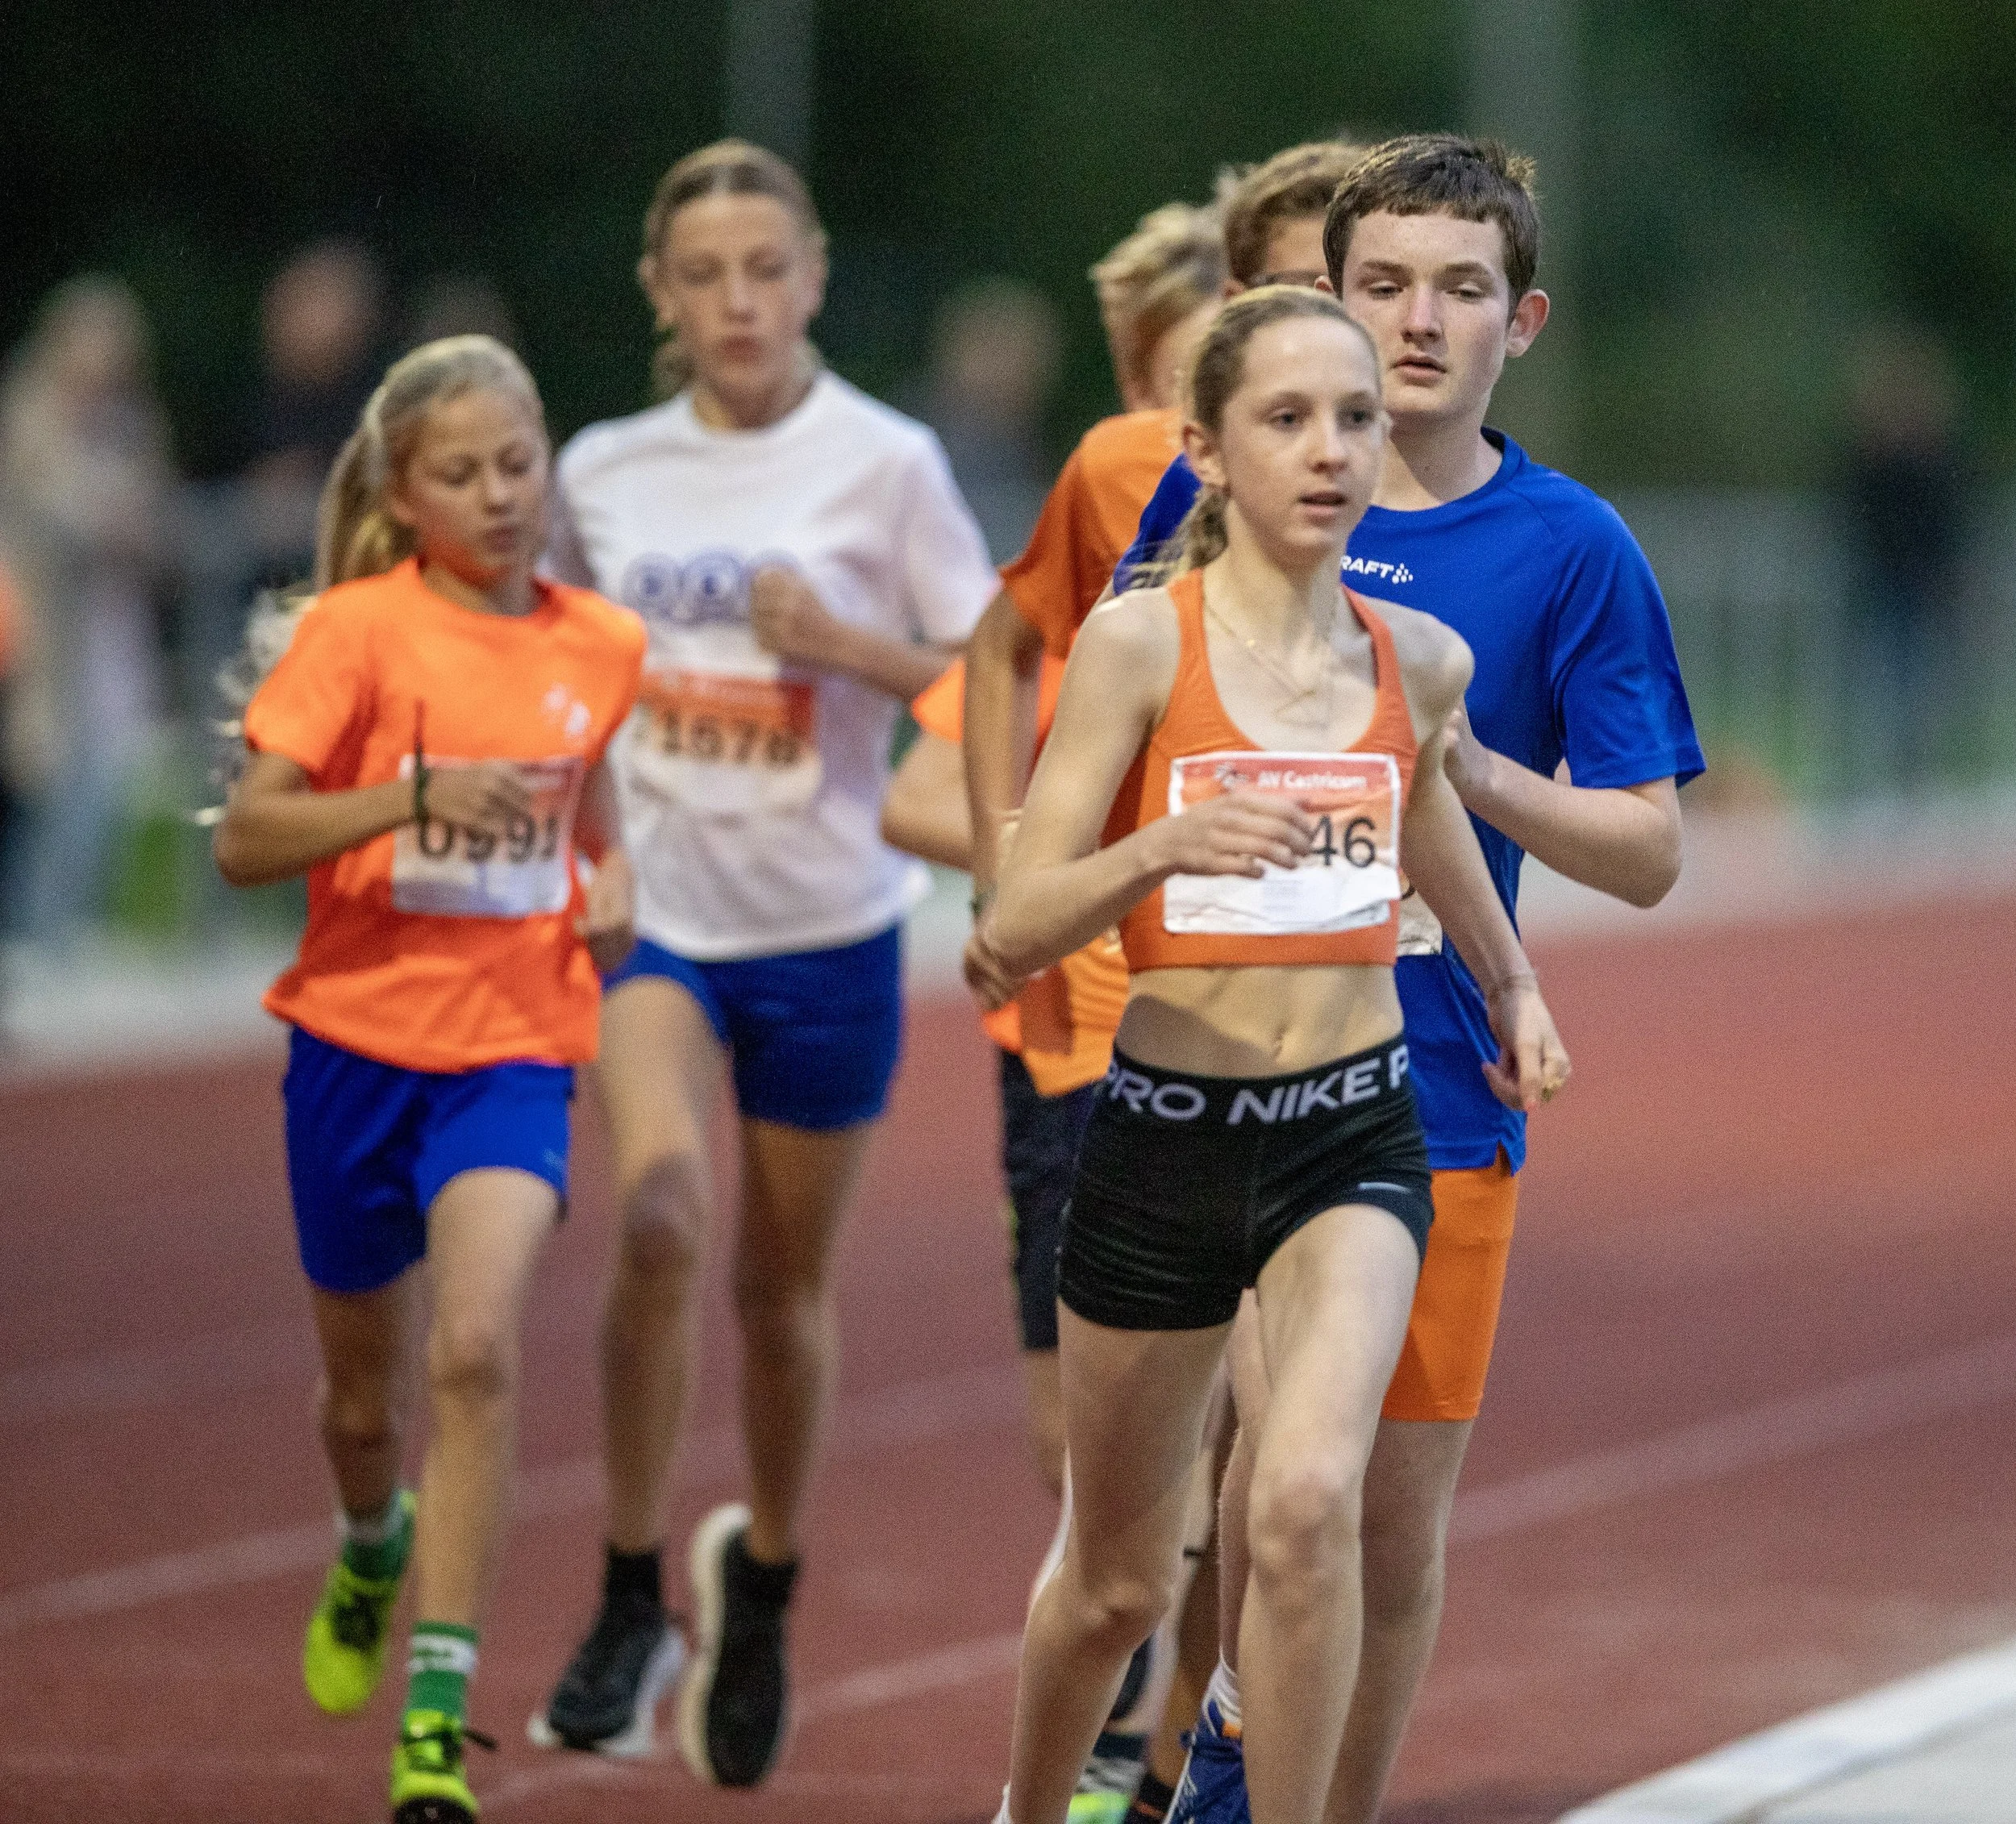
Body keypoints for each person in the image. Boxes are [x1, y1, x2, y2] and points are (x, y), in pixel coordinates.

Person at [1135, 138, 1703, 1824]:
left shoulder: (1568, 549)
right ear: (1327, 297)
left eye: (1458, 289)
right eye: (1380, 284)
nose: (1416, 321)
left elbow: (1648, 848)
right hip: (1223, 1060)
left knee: (1372, 1525)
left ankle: (1270, 1780)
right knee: (1265, 1479)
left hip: (1435, 1076)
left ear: (1518, 320)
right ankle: (1182, 1766)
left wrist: (1455, 766)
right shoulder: (1228, 491)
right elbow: (1119, 716)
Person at [973, 285, 1568, 1824]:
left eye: (1356, 419)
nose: (1330, 451)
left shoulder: (1417, 658)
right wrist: (1164, 840)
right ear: (1210, 454)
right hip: (1168, 1130)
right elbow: (1014, 925)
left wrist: (1515, 985)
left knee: (1307, 1508)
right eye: (1287, 419)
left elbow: (1426, 810)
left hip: (1355, 1134)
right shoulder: (1133, 648)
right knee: (1114, 1583)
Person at [529, 140, 999, 1784]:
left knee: (778, 1294)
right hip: (656, 918)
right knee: (660, 1216)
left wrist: (846, 648)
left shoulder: (885, 463)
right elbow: (547, 665)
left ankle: (769, 1583)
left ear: (810, 277)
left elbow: (983, 677)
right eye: (703, 275)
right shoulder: (599, 467)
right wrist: (576, 847)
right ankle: (625, 1590)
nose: (737, 302)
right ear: (661, 295)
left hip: (828, 924)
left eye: (764, 270)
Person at [958, 142, 1356, 1824]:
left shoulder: (1412, 535)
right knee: (1118, 1521)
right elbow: (998, 659)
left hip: (1340, 1088)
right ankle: (1087, 1751)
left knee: (1293, 1487)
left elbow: (1441, 773)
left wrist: (1500, 973)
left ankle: (1194, 1765)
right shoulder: (1124, 480)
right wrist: (1019, 858)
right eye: (1294, 284)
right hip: (1120, 1043)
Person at [210, 334, 646, 1824]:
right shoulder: (355, 633)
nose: (498, 493)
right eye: (460, 474)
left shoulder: (600, 641)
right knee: (360, 1397)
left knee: (474, 1349)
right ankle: (368, 1535)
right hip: (352, 1046)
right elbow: (244, 838)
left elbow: (594, 805)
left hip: (515, 1049)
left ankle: (436, 1716)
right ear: (403, 490)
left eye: (517, 463)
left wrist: (613, 877)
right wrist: (401, 796)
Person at [881, 190, 1227, 1824]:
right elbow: (959, 718)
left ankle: (1146, 1761)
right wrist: (1023, 865)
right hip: (1057, 1024)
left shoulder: (1316, 526)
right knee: (1085, 1455)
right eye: (1176, 366)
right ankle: (1118, 1724)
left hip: (1209, 1019)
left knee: (1216, 1461)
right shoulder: (1106, 488)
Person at [0, 275, 174, 943]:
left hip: (107, 625)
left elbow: (149, 521)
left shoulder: (131, 424)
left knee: (108, 771)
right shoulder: (31, 413)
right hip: (42, 625)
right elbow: (40, 512)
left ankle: (66, 918)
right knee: (42, 773)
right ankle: (32, 925)